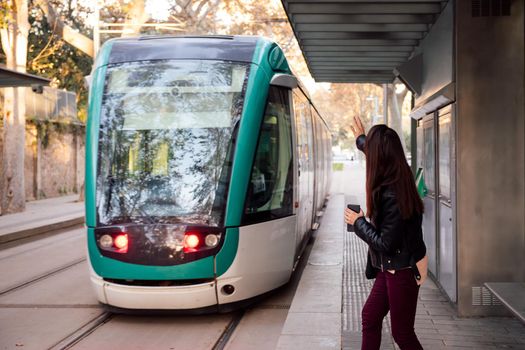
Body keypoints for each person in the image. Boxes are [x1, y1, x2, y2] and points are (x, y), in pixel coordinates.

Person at [345, 116, 427, 350]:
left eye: (370, 148)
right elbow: (377, 153)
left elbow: (386, 243)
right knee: (370, 317)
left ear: (380, 157)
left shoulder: (392, 195)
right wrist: (361, 139)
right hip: (390, 266)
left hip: (401, 269)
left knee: (402, 333)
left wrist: (358, 222)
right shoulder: (399, 173)